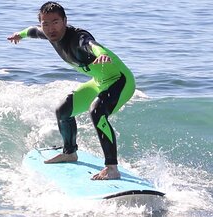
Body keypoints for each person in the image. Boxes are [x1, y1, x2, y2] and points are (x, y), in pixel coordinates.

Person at [8, 2, 135, 180]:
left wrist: (101, 55)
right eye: (45, 23)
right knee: (63, 112)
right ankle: (69, 153)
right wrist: (19, 35)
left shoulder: (78, 37)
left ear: (65, 21)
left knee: (97, 112)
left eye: (56, 22)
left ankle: (112, 168)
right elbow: (32, 31)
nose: (51, 28)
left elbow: (91, 45)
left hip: (120, 80)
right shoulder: (47, 33)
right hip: (99, 81)